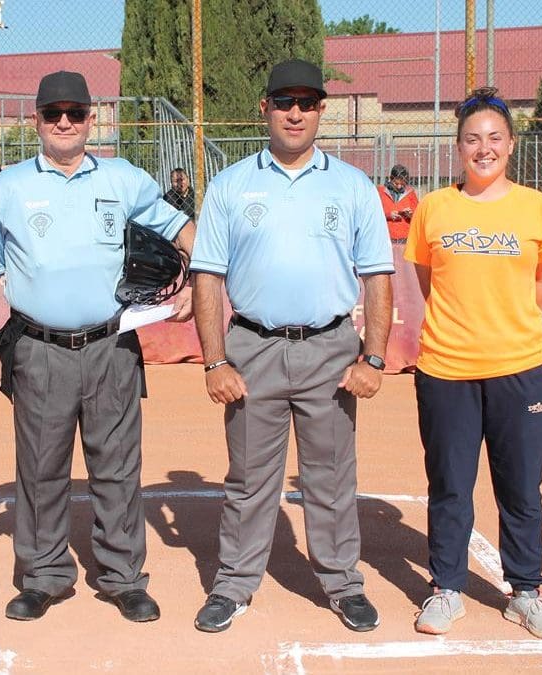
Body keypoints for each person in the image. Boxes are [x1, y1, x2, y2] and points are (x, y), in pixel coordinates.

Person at [0, 70, 196, 624]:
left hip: (112, 345)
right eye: (53, 114)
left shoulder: (124, 179)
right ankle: (44, 575)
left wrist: (198, 277)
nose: (64, 122)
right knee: (41, 467)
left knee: (117, 466)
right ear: (37, 121)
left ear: (92, 118)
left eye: (75, 112)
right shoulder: (6, 189)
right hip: (38, 347)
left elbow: (180, 227)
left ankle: (123, 577)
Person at [189, 58, 393, 634]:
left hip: (330, 348)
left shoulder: (351, 184)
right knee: (250, 479)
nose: (295, 112)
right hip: (252, 347)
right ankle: (233, 585)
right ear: (265, 108)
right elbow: (208, 276)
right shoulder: (231, 184)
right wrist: (214, 360)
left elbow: (378, 276)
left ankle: (342, 582)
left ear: (322, 110)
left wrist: (373, 357)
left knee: (330, 479)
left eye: (307, 102)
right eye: (285, 102)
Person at [405, 87, 542, 640]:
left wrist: (514, 317)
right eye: (472, 138)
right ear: (457, 148)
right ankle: (447, 588)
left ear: (510, 144)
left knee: (522, 486)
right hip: (446, 369)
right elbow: (429, 280)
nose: (484, 148)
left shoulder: (538, 208)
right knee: (450, 483)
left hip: (521, 367)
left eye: (494, 138)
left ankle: (525, 591)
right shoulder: (434, 208)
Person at [377, 164, 419, 243]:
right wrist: (388, 215)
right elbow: (373, 213)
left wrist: (411, 215)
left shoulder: (410, 193)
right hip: (385, 237)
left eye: (402, 184)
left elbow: (419, 215)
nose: (399, 187)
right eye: (396, 184)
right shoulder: (381, 192)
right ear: (391, 179)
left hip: (405, 237)